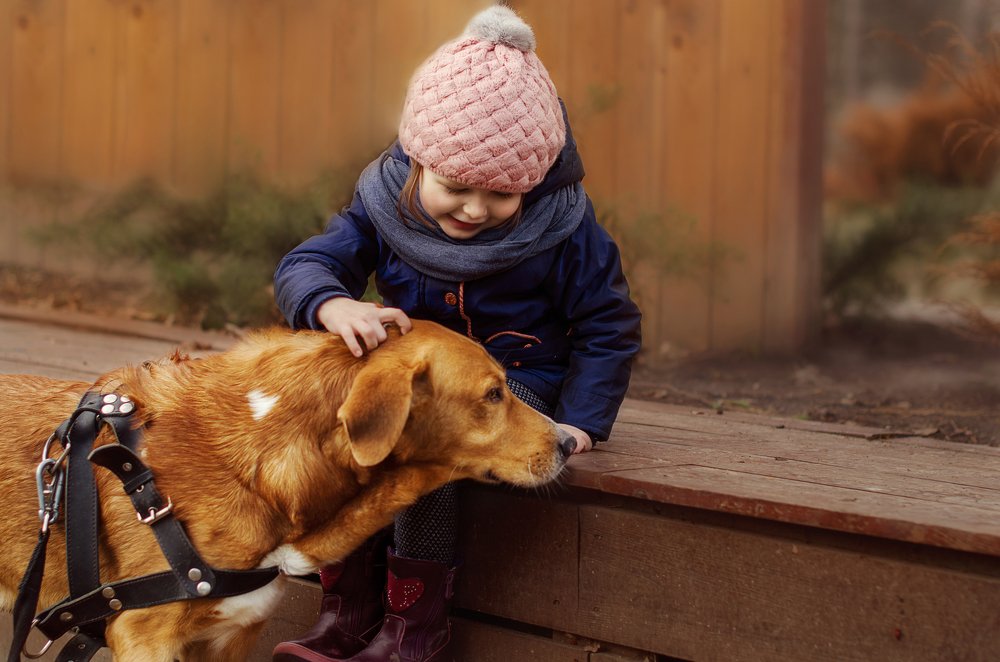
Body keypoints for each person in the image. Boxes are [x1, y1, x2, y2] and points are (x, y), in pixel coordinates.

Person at [271, 5, 641, 661]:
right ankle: (347, 608)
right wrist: (333, 304)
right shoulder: (385, 207)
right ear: (418, 162)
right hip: (420, 379)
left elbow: (606, 323)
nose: (475, 208)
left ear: (534, 182)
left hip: (517, 381)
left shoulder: (563, 231)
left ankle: (414, 630)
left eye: (502, 196)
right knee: (351, 429)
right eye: (456, 187)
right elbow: (309, 264)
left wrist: (582, 418)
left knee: (431, 448)